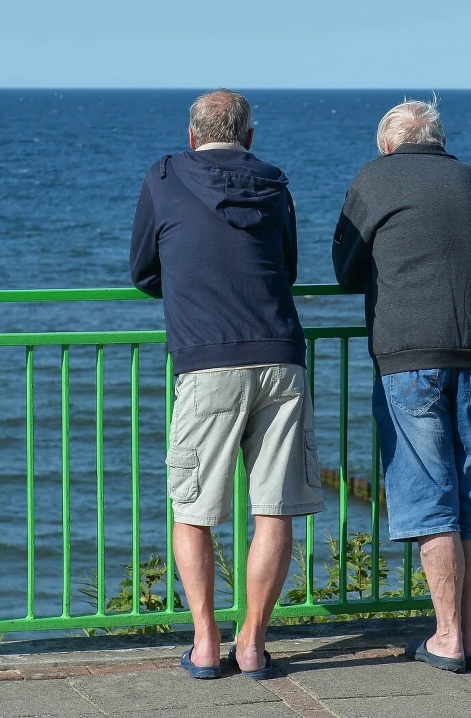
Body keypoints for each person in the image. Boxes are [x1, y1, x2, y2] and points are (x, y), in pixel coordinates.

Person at [130, 88, 323, 680]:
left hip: (206, 362)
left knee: (192, 509)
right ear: (249, 136)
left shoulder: (164, 179)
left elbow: (141, 272)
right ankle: (253, 644)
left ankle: (207, 644)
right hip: (280, 357)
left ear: (192, 136)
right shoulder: (274, 183)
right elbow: (287, 268)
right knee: (275, 509)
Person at [331, 98, 471, 673]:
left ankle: (446, 635)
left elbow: (344, 268)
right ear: (438, 140)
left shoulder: (374, 178)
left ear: (387, 143)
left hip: (408, 355)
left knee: (429, 497)